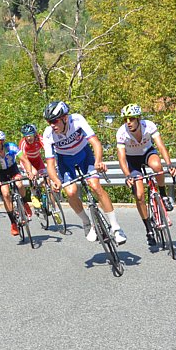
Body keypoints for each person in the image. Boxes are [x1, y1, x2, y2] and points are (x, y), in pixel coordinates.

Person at [42, 101, 126, 244]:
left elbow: (96, 143)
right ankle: (87, 222)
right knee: (70, 192)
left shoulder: (77, 120)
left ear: (65, 118)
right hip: (65, 161)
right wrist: (56, 180)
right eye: (49, 121)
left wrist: (98, 161)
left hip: (84, 155)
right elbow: (50, 164)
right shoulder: (48, 134)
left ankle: (116, 228)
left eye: (55, 121)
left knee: (95, 186)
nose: (52, 125)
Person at [115, 103, 176, 245]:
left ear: (138, 118)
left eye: (131, 119)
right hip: (132, 161)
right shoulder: (121, 132)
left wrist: (170, 164)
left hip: (147, 153)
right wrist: (127, 175)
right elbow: (121, 157)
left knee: (157, 166)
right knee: (139, 195)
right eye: (125, 119)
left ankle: (163, 195)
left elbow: (161, 146)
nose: (128, 122)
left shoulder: (148, 126)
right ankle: (149, 228)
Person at [0, 131, 36, 236]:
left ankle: (25, 203)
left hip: (13, 169)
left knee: (19, 184)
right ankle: (13, 223)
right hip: (1, 173)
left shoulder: (11, 147)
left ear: (2, 142)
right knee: (6, 194)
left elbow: (24, 160)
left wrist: (29, 171)